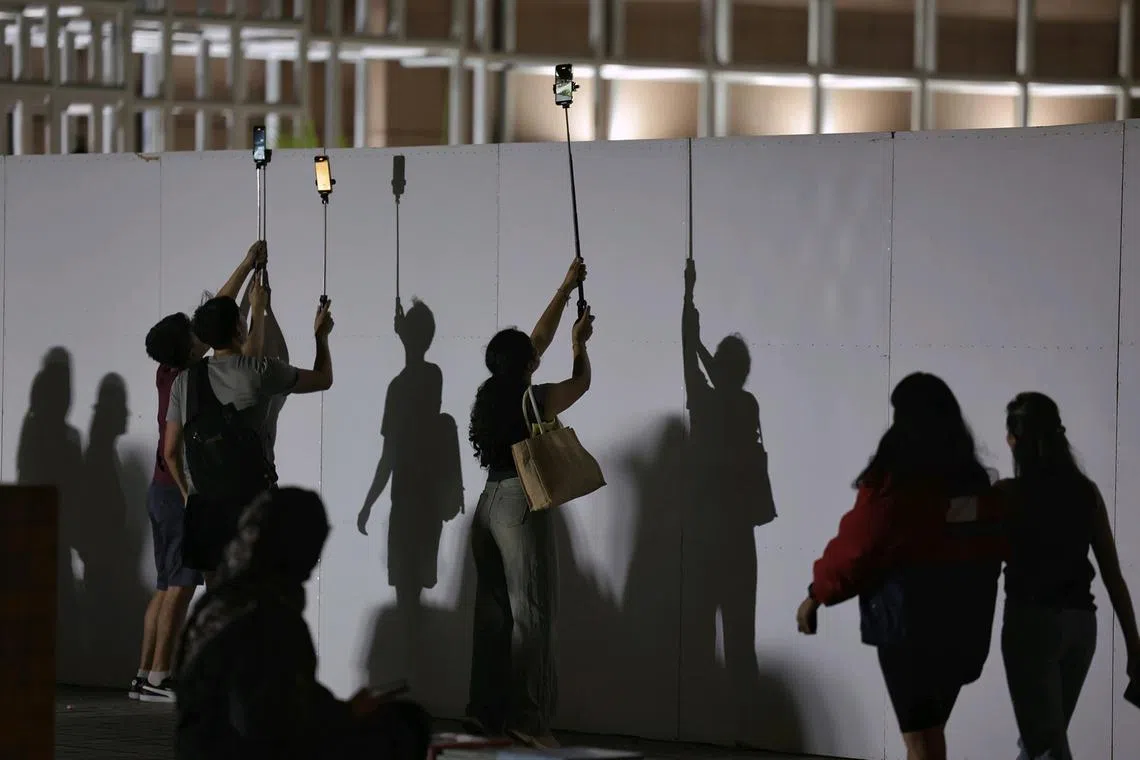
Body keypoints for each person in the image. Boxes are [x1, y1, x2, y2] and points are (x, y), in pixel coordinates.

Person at [795, 372, 1007, 760]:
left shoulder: (899, 484)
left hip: (911, 628)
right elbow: (989, 549)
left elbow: (858, 549)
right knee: (929, 734)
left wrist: (815, 595)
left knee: (921, 742)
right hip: (966, 627)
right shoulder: (973, 481)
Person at [173, 487, 433, 760]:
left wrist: (341, 711)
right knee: (402, 726)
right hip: (239, 747)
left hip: (202, 745)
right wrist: (342, 717)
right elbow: (263, 723)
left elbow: (278, 694)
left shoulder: (220, 602)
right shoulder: (270, 616)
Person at [464, 258, 593, 748]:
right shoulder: (532, 399)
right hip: (520, 504)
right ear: (526, 366)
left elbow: (535, 341)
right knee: (532, 614)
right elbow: (579, 385)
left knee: (492, 615)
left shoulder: (490, 394)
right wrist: (580, 348)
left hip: (488, 502)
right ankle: (529, 719)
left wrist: (563, 289)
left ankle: (485, 714)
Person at [131, 241, 267, 703]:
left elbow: (215, 317)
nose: (198, 335)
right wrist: (191, 493)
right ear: (188, 348)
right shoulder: (189, 378)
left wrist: (247, 267)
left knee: (167, 584)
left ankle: (145, 672)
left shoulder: (169, 373)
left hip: (159, 492)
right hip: (176, 491)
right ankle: (159, 677)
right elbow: (219, 323)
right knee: (182, 587)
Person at [164, 262, 334, 588]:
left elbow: (171, 450)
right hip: (251, 505)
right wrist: (320, 336)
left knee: (218, 600)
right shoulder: (261, 372)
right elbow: (323, 379)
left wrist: (190, 496)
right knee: (256, 595)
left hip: (204, 510)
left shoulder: (184, 383)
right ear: (239, 330)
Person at [999, 392, 1140, 760]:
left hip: (1032, 626)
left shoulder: (1009, 495)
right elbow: (1113, 576)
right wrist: (1134, 645)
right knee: (1041, 741)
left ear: (1016, 440)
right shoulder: (1086, 493)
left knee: (1045, 747)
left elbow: (965, 543)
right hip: (1081, 628)